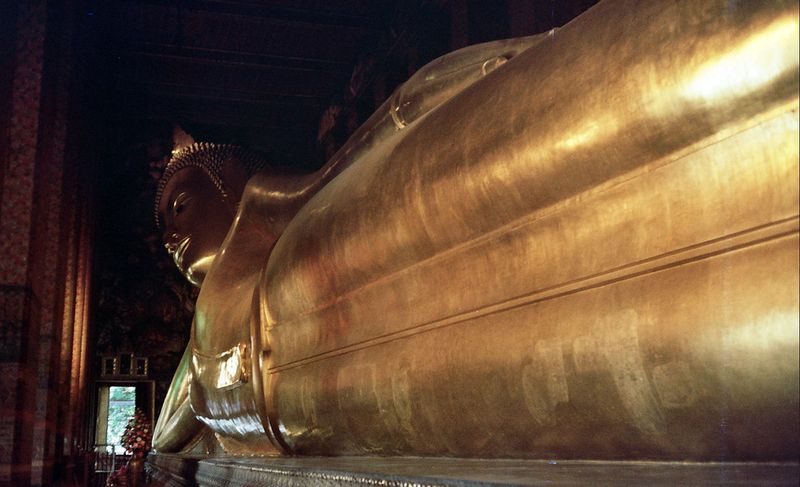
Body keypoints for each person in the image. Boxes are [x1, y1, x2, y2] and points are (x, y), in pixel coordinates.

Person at [153, 0, 798, 459]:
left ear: (228, 181)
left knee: (498, 164)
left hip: (331, 262)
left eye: (178, 209)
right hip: (338, 381)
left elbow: (390, 121)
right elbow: (169, 431)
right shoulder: (211, 318)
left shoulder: (295, 219)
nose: (170, 239)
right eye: (162, 230)